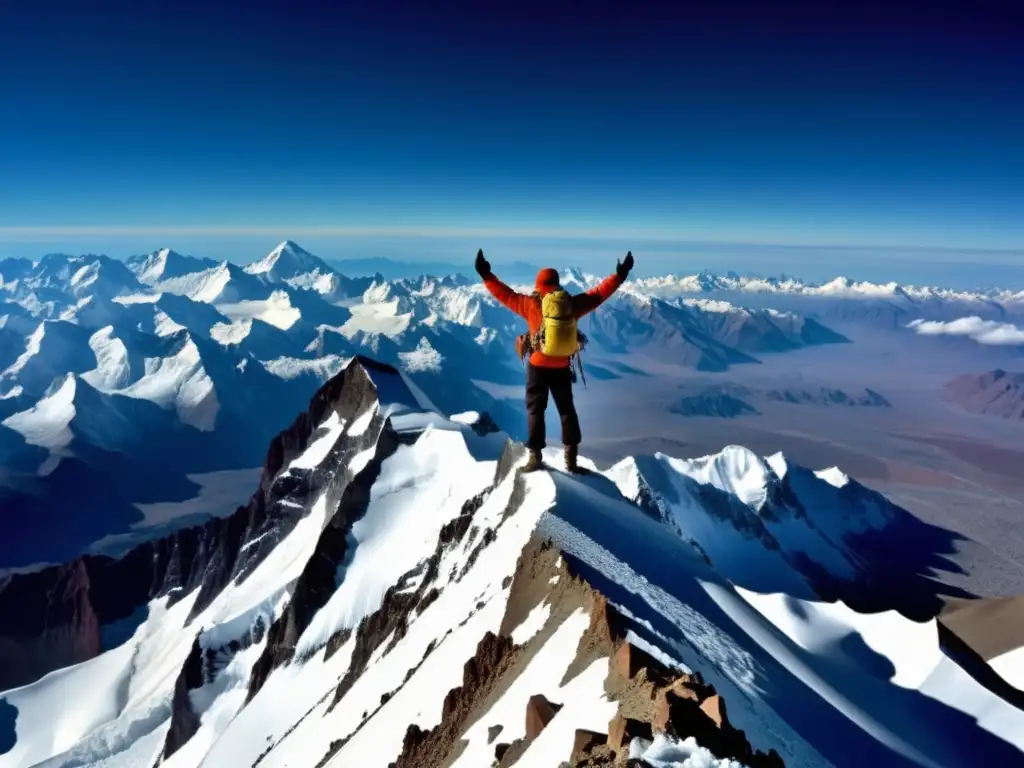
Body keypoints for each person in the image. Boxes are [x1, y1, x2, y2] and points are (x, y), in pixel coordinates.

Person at [475, 248, 634, 473]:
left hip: (537, 366)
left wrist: (486, 275)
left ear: (538, 286)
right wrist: (620, 275)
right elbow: (598, 294)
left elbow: (505, 294)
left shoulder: (530, 305)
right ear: (557, 285)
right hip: (561, 366)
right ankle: (571, 460)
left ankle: (535, 457)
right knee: (567, 411)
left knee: (535, 411)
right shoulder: (571, 305)